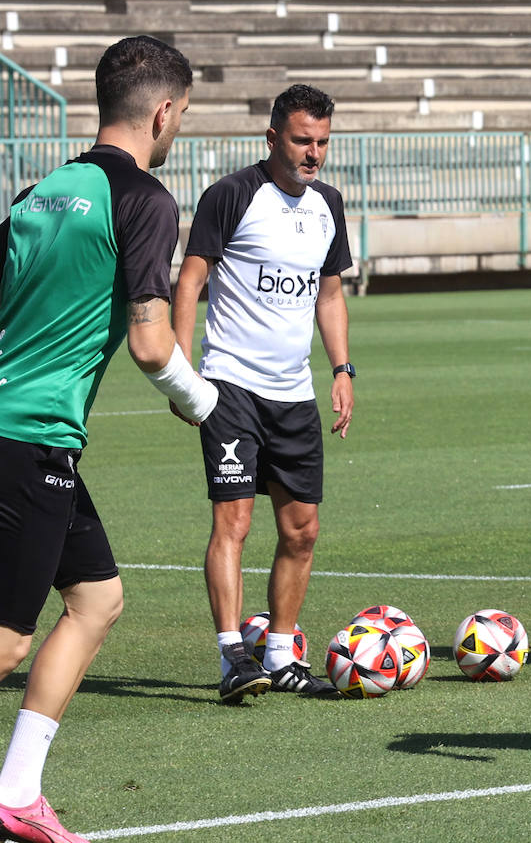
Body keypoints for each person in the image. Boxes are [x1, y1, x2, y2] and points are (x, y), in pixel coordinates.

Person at [0, 35, 214, 843]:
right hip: (29, 440)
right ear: (164, 112)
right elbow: (153, 344)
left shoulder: (38, 191)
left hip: (21, 436)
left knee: (97, 598)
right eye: (182, 116)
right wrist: (203, 400)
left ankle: (17, 792)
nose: (178, 128)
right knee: (7, 643)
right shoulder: (145, 199)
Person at [173, 83, 355, 704]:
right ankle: (232, 655)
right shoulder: (231, 195)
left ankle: (279, 653)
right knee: (235, 520)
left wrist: (341, 368)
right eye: (303, 140)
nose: (314, 154)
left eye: (323, 142)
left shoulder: (329, 203)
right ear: (273, 137)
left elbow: (329, 293)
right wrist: (180, 372)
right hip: (231, 386)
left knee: (302, 529)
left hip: (293, 393)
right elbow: (189, 281)